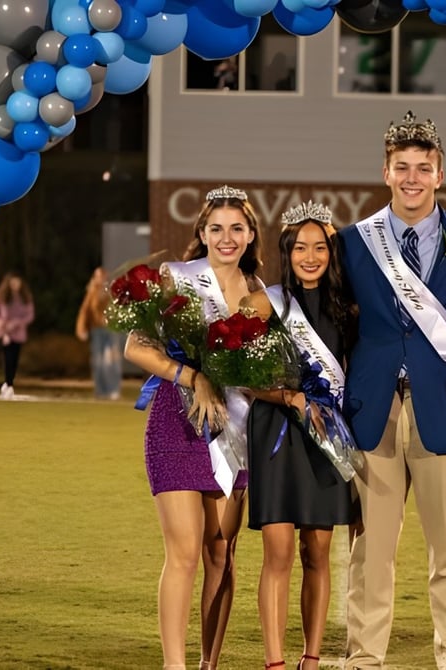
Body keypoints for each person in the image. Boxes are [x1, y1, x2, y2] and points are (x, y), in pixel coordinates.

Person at [338, 111, 446, 670]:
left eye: (422, 168)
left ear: (439, 174)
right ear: (385, 172)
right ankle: (363, 657)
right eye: (401, 167)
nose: (412, 178)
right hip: (372, 410)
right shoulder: (352, 243)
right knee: (370, 549)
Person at [123, 185, 263, 670]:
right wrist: (194, 376)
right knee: (183, 552)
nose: (227, 238)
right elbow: (136, 347)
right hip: (177, 423)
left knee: (220, 554)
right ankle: (175, 665)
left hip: (234, 428)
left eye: (237, 228)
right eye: (216, 228)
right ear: (202, 233)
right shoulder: (176, 279)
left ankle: (208, 663)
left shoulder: (259, 294)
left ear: (250, 234)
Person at [241, 201, 356, 669]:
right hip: (275, 432)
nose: (310, 257)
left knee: (318, 551)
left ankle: (311, 658)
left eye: (320, 247)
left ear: (331, 252)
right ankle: (275, 662)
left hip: (323, 434)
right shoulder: (262, 304)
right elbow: (240, 375)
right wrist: (288, 397)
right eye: (300, 248)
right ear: (286, 252)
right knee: (279, 551)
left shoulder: (347, 309)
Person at [75, 266, 123, 400]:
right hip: (97, 331)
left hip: (110, 331)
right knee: (98, 362)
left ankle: (113, 390)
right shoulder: (92, 292)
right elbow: (84, 311)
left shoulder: (111, 291)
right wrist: (81, 328)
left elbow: (117, 308)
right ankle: (101, 391)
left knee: (111, 361)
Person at [0, 271, 35, 400]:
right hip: (4, 332)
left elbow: (30, 315)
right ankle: (8, 384)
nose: (15, 285)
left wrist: (18, 322)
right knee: (7, 358)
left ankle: (9, 383)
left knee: (14, 359)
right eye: (13, 282)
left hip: (18, 333)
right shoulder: (1, 296)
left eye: (17, 282)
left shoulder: (25, 297)